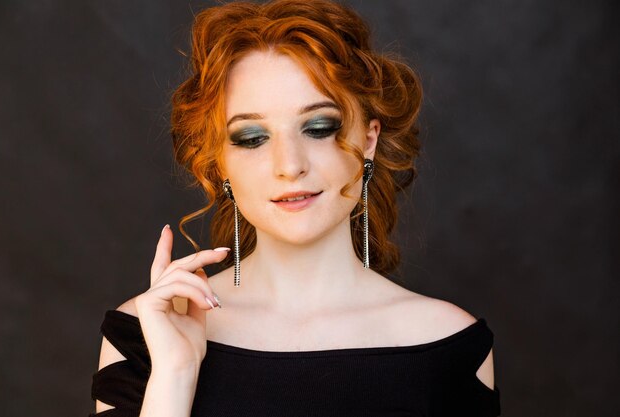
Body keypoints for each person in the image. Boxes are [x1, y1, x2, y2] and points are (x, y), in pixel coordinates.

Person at [89, 0, 501, 416]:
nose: (289, 166)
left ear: (370, 139)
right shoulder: (147, 333)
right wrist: (175, 375)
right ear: (219, 162)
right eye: (251, 137)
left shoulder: (450, 344)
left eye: (320, 128)